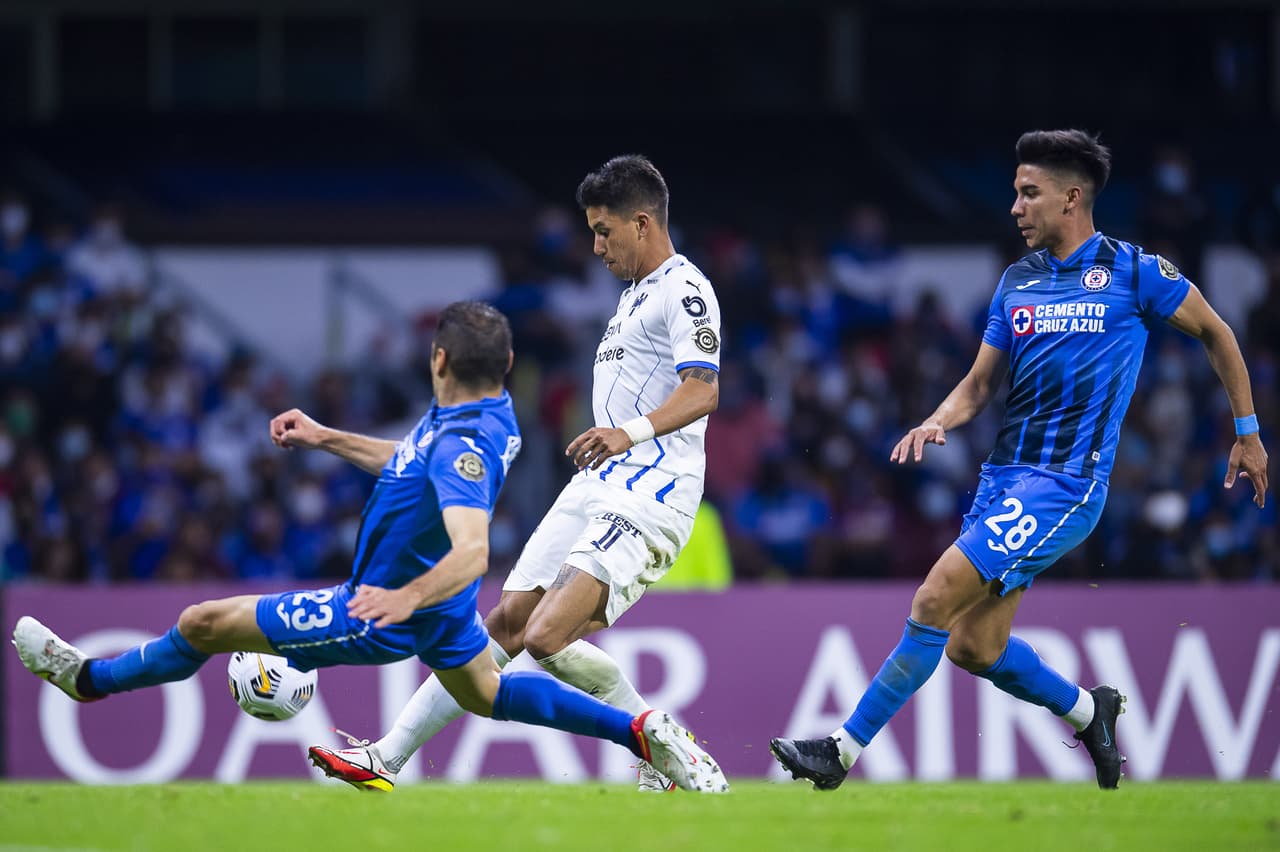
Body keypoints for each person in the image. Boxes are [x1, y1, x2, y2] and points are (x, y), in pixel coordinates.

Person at [12, 300, 728, 794]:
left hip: (385, 606)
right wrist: (326, 436)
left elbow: (474, 550)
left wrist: (400, 598)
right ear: (504, 362)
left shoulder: (461, 445)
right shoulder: (483, 412)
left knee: (203, 623)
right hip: (439, 610)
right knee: (489, 696)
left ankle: (87, 681)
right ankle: (642, 732)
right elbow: (410, 459)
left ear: (438, 358)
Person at [770, 130, 1269, 791]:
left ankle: (840, 751)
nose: (1015, 207)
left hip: (1065, 486)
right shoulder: (1016, 282)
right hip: (1004, 479)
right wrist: (935, 420)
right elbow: (979, 386)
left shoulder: (1134, 271)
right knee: (975, 647)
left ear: (1071, 199)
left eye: (1029, 193)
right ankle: (1091, 712)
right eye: (1014, 193)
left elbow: (1217, 331)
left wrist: (1248, 431)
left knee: (933, 597)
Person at [309, 154, 723, 793]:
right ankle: (384, 758)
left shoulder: (685, 290)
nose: (595, 246)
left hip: (652, 489)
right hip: (600, 482)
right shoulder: (633, 295)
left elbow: (702, 391)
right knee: (503, 623)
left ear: (643, 223)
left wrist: (626, 433)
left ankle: (656, 739)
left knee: (548, 635)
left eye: (604, 230)